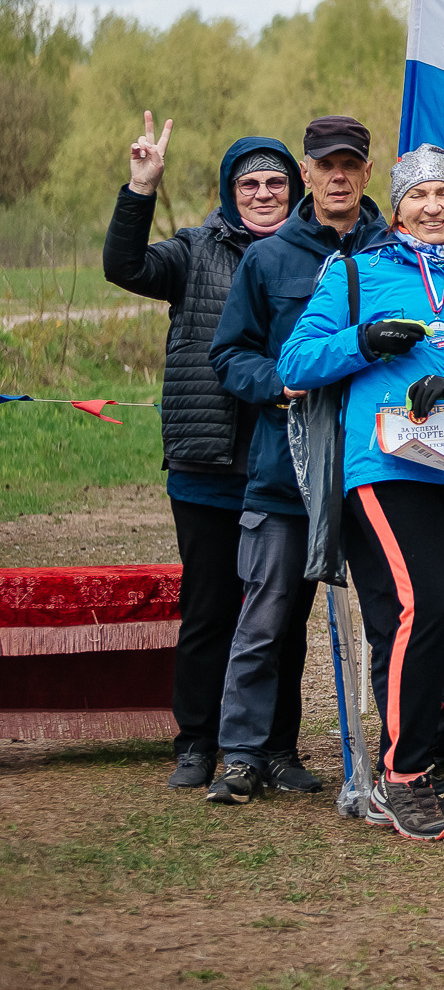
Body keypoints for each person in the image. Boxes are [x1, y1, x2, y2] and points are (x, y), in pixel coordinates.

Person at [277, 145, 444, 841]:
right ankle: (401, 774)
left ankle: (410, 772)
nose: (433, 208)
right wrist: (364, 341)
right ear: (396, 210)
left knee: (430, 622)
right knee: (429, 604)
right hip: (383, 467)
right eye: (418, 197)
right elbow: (295, 362)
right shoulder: (356, 272)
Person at [106, 118, 304, 792]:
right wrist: (141, 189)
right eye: (250, 183)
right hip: (208, 464)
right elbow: (124, 267)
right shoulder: (195, 251)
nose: (264, 193)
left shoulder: (317, 257)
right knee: (211, 608)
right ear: (230, 190)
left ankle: (279, 748)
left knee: (285, 617)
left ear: (295, 189)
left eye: (276, 182)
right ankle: (197, 740)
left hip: (286, 465)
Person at [209, 117, 390, 795]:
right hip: (284, 474)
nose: (338, 176)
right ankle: (244, 755)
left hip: (375, 468)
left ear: (366, 173)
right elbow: (229, 355)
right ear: (306, 175)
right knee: (267, 619)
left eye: (350, 164)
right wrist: (278, 382)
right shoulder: (268, 259)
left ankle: (393, 758)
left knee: (386, 619)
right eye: (325, 165)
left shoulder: (396, 250)